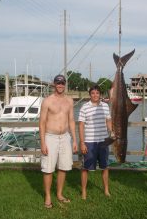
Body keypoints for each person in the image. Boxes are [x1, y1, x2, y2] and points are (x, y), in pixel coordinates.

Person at [39, 74, 78, 209]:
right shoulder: (47, 101)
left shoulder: (69, 101)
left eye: (62, 83)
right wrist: (43, 142)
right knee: (48, 168)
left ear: (65, 84)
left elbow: (72, 121)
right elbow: (42, 122)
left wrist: (74, 140)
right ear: (54, 84)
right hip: (50, 137)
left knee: (63, 167)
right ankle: (48, 196)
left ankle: (60, 194)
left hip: (65, 137)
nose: (60, 85)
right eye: (58, 83)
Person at [78, 85, 113, 200]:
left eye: (97, 93)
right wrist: (82, 142)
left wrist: (111, 131)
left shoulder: (105, 106)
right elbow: (81, 125)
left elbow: (108, 120)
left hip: (103, 141)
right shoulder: (84, 107)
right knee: (85, 168)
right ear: (90, 95)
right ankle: (83, 192)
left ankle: (106, 190)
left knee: (105, 167)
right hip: (89, 141)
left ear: (100, 94)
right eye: (93, 93)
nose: (95, 95)